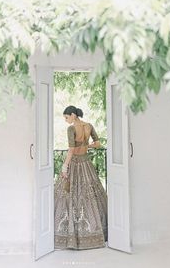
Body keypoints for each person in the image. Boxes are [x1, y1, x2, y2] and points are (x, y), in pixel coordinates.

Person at [54, 105, 108, 250]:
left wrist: (65, 166)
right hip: (86, 163)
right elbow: (98, 143)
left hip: (75, 163)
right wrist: (86, 145)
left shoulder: (71, 129)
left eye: (66, 117)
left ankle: (70, 234)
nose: (66, 121)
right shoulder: (88, 126)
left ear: (72, 115)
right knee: (89, 195)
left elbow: (71, 149)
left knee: (69, 195)